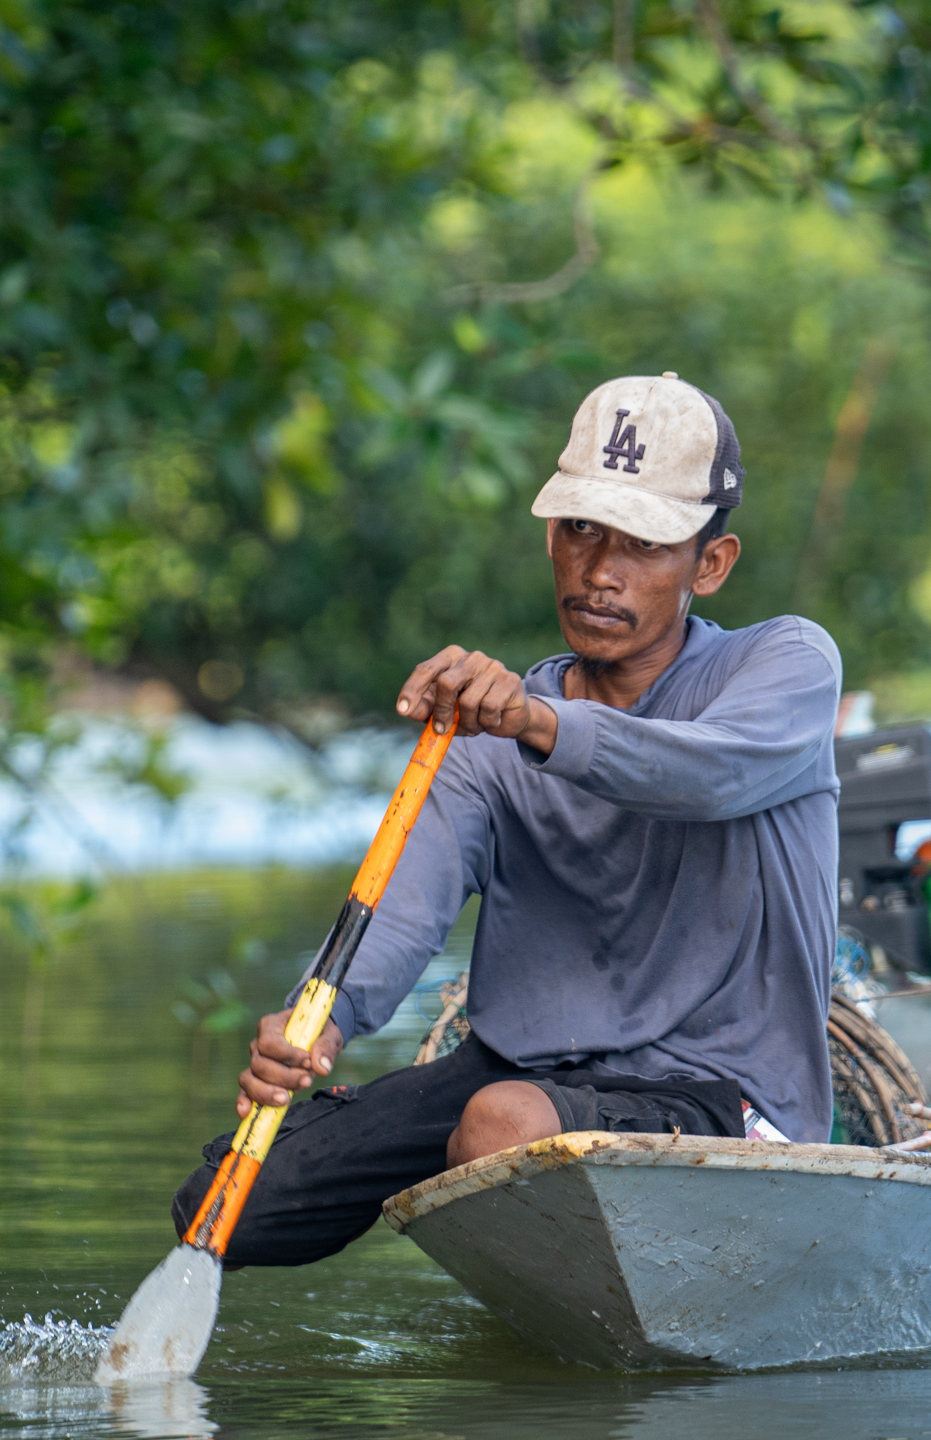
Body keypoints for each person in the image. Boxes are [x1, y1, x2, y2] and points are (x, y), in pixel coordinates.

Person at [171, 372, 842, 1267]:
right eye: (580, 531)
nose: (602, 570)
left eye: (644, 542)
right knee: (226, 1204)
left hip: (721, 1088)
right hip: (522, 1070)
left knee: (502, 1126)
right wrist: (317, 1022)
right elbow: (400, 914)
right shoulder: (485, 739)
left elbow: (706, 774)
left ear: (709, 566)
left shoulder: (785, 663)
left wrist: (539, 724)